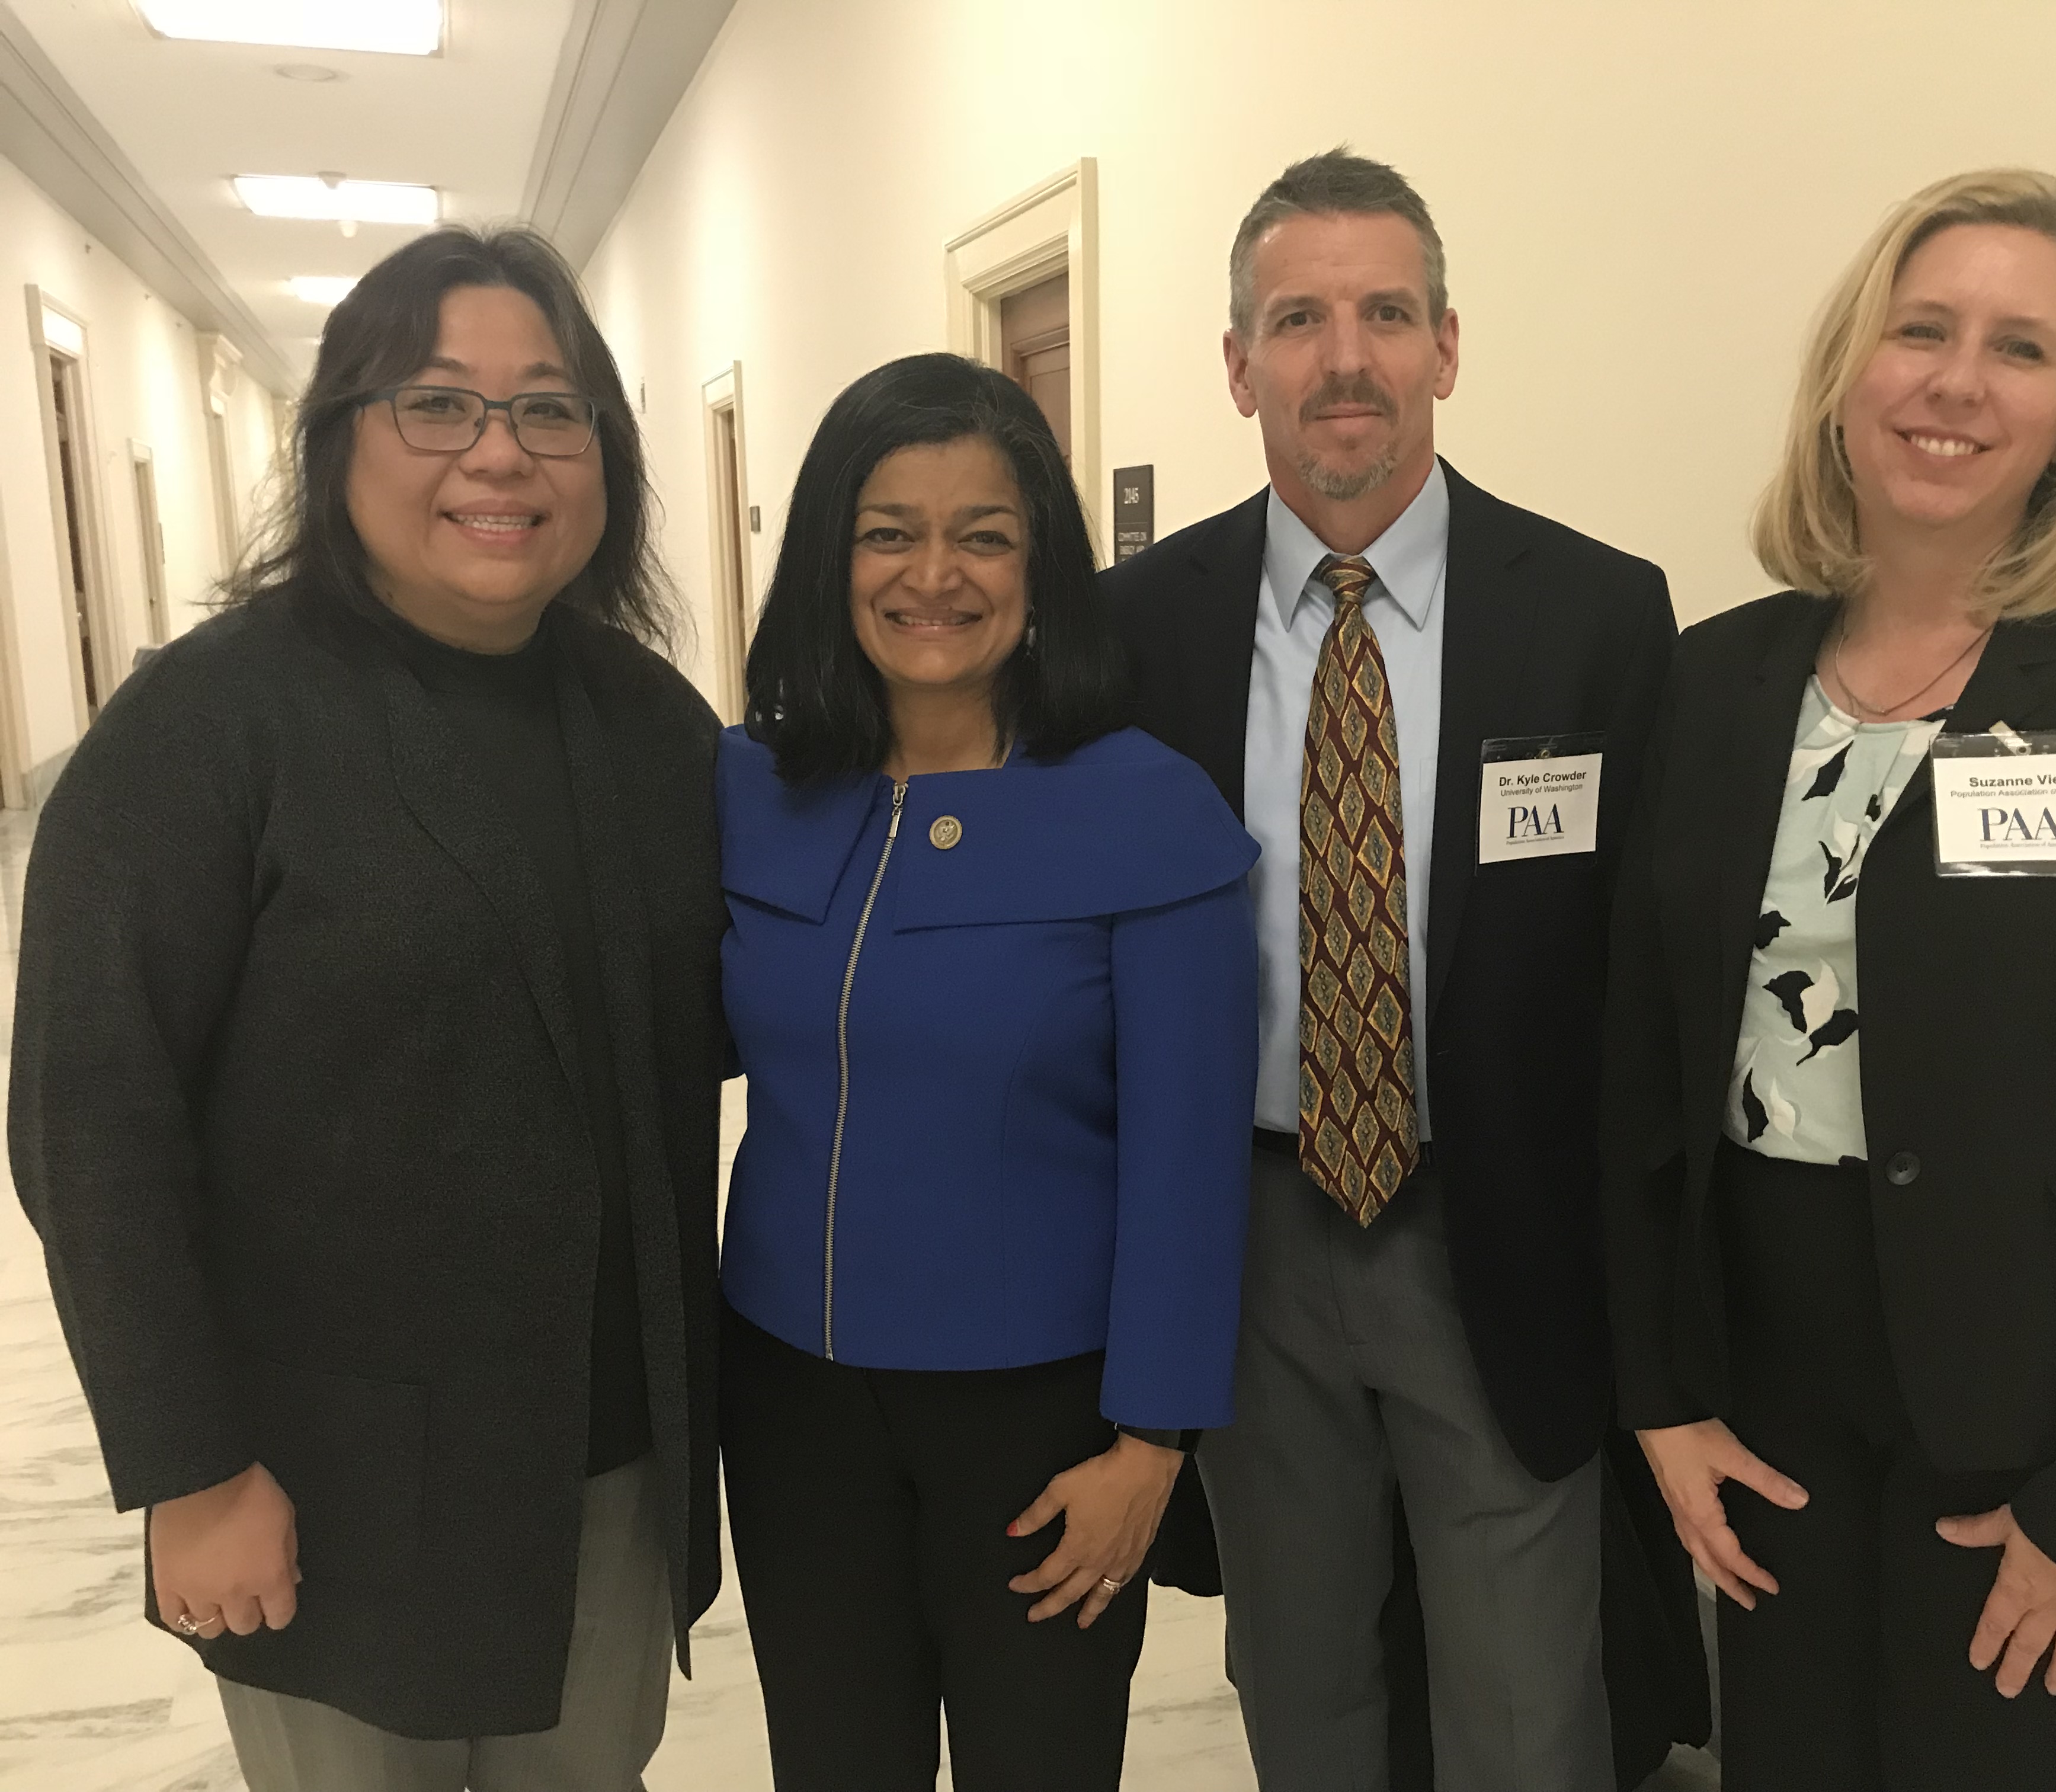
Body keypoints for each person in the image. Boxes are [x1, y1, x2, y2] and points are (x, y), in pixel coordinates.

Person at [1602, 168, 2056, 1791]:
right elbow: (1641, 1063)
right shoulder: (1718, 678)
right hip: (1778, 1405)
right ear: (1849, 372)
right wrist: (1658, 1394)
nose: (1954, 380)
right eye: (1920, 330)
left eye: (2020, 349)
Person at [9, 226, 728, 1790]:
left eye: (551, 408)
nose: (500, 452)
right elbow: (89, 1114)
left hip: (606, 1457)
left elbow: (735, 1016)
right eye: (438, 404)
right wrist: (189, 1468)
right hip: (321, 1474)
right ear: (337, 437)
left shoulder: (653, 729)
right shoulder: (207, 727)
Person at [1109, 148, 1700, 1791]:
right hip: (1251, 1231)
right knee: (1299, 1678)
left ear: (1448, 344)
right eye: (1298, 319)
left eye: (1385, 312)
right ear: (1238, 366)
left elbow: (1641, 983)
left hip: (1497, 1230)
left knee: (1526, 1698)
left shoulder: (1594, 615)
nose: (1344, 357)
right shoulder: (1135, 629)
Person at [716, 351, 1258, 1791]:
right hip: (791, 1407)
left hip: (1043, 1424)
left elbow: (1192, 1161)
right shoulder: (752, 792)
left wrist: (1153, 1444)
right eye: (887, 529)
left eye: (986, 534)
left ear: (1045, 567)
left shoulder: (1146, 812)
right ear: (831, 553)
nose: (934, 575)